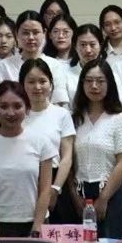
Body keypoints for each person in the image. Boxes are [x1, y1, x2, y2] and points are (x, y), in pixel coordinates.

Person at [0, 81, 56, 238]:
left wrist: (37, 228)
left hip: (35, 224)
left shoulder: (41, 142)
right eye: (3, 106)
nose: (10, 113)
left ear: (27, 108)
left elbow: (45, 189)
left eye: (17, 106)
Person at [69, 60, 122, 239]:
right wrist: (74, 196)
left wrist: (104, 198)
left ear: (110, 84)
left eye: (100, 81)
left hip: (112, 192)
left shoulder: (120, 119)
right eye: (89, 81)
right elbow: (68, 161)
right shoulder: (75, 119)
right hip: (80, 195)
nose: (94, 86)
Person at [20, 59, 75, 223]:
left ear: (51, 84)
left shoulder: (62, 114)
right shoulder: (16, 115)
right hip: (25, 180)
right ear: (22, 84)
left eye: (42, 81)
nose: (37, 87)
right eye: (31, 82)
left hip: (55, 179)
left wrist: (55, 188)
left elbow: (67, 157)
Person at [0, 12, 68, 106]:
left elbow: (60, 101)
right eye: (25, 33)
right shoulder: (4, 66)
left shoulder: (55, 65)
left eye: (36, 32)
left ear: (44, 33)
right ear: (16, 34)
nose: (31, 37)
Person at [68, 24, 122, 109]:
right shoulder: (66, 76)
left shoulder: (112, 76)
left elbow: (121, 107)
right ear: (75, 46)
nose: (88, 50)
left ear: (100, 46)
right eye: (83, 45)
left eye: (92, 44)